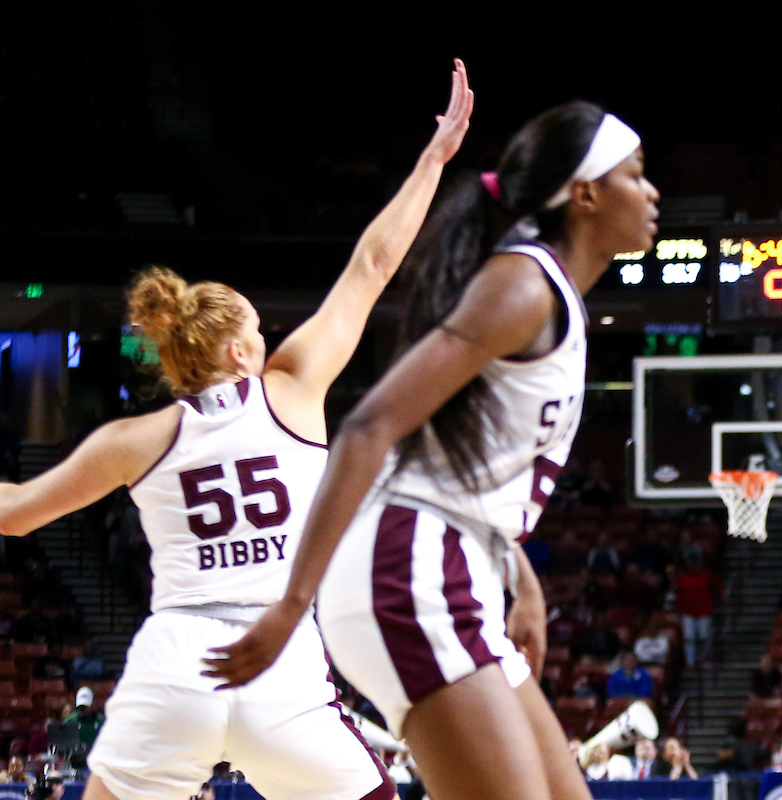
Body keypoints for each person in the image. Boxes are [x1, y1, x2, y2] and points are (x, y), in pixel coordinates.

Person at [0, 59, 475, 800]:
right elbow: (374, 264)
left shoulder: (133, 438)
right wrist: (433, 157)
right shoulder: (291, 389)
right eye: (261, 326)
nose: (271, 333)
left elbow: (15, 514)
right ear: (237, 350)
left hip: (175, 664)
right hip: (275, 659)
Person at [204, 98, 659, 800]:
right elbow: (367, 427)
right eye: (635, 174)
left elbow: (460, 463)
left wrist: (522, 580)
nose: (652, 192)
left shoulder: (548, 292)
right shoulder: (524, 286)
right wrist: (292, 607)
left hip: (457, 562)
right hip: (409, 568)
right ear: (586, 193)